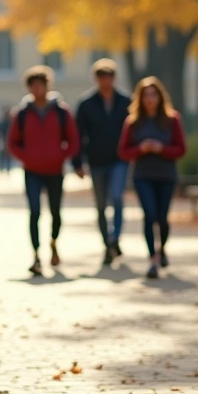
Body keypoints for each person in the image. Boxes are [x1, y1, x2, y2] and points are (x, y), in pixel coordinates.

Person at [7, 66, 81, 277]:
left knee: (56, 212)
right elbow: (12, 142)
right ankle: (36, 255)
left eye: (41, 85)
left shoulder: (61, 111)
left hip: (55, 170)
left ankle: (53, 242)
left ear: (48, 86)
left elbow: (73, 140)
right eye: (33, 86)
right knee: (34, 212)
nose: (37, 89)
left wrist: (61, 155)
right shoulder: (21, 113)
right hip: (31, 170)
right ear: (29, 88)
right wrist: (26, 156)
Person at [118, 76, 187, 280]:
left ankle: (162, 248)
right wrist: (140, 148)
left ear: (160, 97)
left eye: (153, 95)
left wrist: (161, 149)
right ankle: (152, 260)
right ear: (140, 98)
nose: (149, 99)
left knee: (162, 218)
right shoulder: (133, 122)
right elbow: (123, 152)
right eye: (145, 95)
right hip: (143, 175)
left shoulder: (172, 119)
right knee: (149, 215)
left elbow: (181, 149)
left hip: (166, 175)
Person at [74, 58, 133, 266]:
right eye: (101, 78)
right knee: (100, 206)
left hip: (119, 160)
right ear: (96, 79)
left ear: (114, 78)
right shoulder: (86, 103)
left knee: (116, 197)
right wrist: (77, 163)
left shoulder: (126, 101)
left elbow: (132, 130)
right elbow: (78, 135)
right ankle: (107, 243)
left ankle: (115, 237)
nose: (105, 81)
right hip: (96, 160)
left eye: (109, 77)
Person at [0, 108, 14, 175]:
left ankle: (2, 169)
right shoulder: (11, 122)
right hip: (6, 141)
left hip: (4, 141)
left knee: (2, 157)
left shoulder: (3, 122)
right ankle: (7, 169)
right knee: (6, 158)